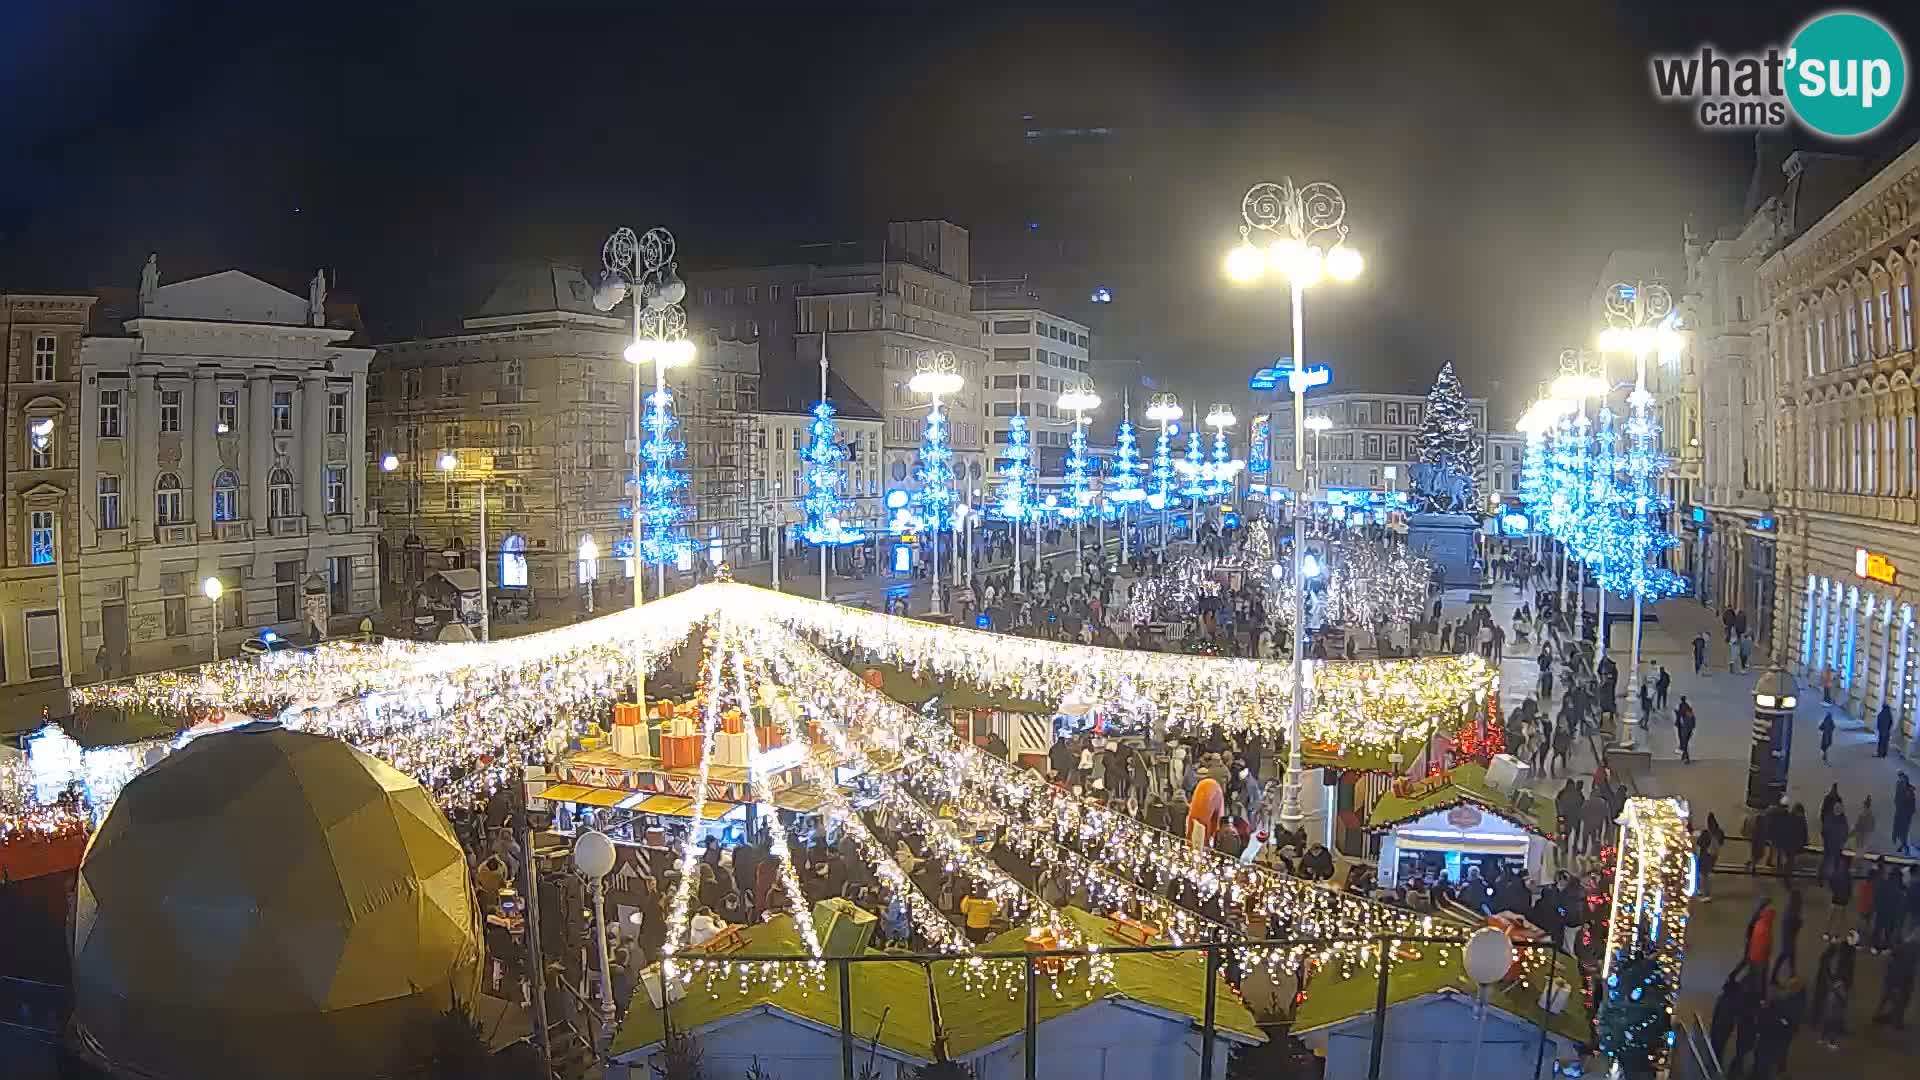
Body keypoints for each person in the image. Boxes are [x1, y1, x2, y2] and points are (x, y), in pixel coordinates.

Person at [1874, 930, 1919, 1030]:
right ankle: (1895, 1019)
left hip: (1896, 975)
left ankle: (1884, 1016)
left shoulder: (1906, 945)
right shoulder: (1911, 946)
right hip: (1902, 976)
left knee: (1890, 995)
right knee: (1900, 998)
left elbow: (1889, 955)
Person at [1895, 773, 1916, 855]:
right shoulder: (1901, 790)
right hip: (1901, 813)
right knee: (1901, 831)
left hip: (1906, 815)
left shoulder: (1910, 791)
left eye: (1903, 781)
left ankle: (1906, 847)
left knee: (1904, 831)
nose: (1901, 782)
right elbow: (1896, 800)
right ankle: (1903, 845)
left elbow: (1912, 805)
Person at [1675, 698, 1697, 764]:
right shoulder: (1691, 715)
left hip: (1685, 731)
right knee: (1684, 744)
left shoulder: (1685, 715)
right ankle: (1683, 756)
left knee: (1684, 745)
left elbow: (1681, 718)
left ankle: (1686, 759)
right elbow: (1693, 725)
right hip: (1687, 731)